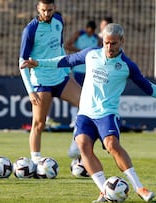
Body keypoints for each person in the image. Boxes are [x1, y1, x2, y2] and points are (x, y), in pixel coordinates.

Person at [21, 23, 156, 202]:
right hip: (85, 113)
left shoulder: (127, 66)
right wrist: (39, 63)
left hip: (107, 114)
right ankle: (104, 190)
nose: (109, 47)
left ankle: (139, 187)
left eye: (113, 43)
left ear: (122, 41)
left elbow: (148, 88)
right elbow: (65, 60)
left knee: (112, 145)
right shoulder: (91, 54)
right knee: (83, 146)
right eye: (106, 43)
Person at [18, 0, 81, 163]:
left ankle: (76, 145)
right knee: (39, 124)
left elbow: (60, 48)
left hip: (61, 77)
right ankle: (36, 162)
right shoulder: (30, 29)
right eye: (44, 10)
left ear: (55, 8)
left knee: (87, 105)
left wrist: (68, 72)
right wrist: (30, 90)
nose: (47, 13)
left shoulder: (59, 21)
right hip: (41, 82)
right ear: (38, 9)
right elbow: (22, 62)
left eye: (50, 10)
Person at [64, 20, 101, 159]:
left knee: (89, 97)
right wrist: (81, 53)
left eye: (92, 31)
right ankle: (76, 118)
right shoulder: (79, 35)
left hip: (91, 72)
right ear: (86, 28)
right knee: (79, 96)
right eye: (89, 30)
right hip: (78, 71)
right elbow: (67, 45)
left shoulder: (96, 39)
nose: (90, 33)